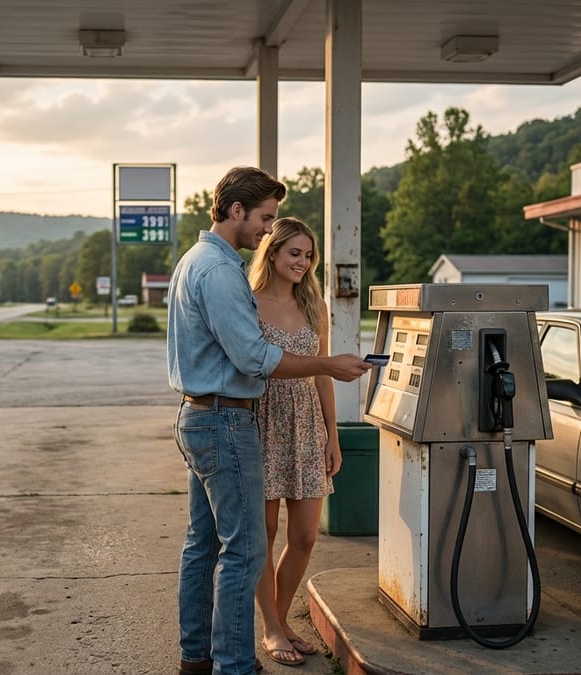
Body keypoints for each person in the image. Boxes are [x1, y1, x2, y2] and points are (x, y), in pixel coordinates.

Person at [167, 166, 371, 675]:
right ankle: (236, 664)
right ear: (236, 211)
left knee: (206, 543)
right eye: (264, 218)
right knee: (247, 547)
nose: (265, 229)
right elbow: (255, 358)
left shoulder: (198, 261)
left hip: (205, 414)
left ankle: (197, 656)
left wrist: (329, 425)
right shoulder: (219, 272)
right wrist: (328, 363)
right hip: (227, 419)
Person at [248, 218, 337, 667]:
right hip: (262, 421)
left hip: (306, 425)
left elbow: (322, 373)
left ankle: (280, 620)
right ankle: (271, 628)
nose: (302, 262)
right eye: (294, 253)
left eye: (308, 255)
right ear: (273, 253)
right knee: (262, 534)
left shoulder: (315, 306)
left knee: (303, 536)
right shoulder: (250, 303)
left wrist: (332, 436)